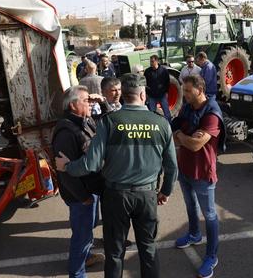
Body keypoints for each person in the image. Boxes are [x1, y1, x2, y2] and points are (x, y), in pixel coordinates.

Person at [56, 73, 178, 278]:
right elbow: (172, 166)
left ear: (124, 95)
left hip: (115, 197)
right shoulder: (161, 123)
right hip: (146, 195)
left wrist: (68, 167)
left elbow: (91, 163)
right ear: (142, 94)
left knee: (114, 253)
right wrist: (165, 191)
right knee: (148, 249)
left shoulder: (109, 122)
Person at [172, 74, 224, 278]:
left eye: (187, 91)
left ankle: (212, 256)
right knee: (190, 205)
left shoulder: (212, 113)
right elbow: (173, 126)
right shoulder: (187, 108)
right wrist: (183, 137)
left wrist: (181, 137)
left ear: (200, 90)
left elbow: (195, 144)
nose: (184, 95)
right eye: (183, 90)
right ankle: (194, 233)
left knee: (210, 215)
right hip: (184, 168)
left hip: (202, 172)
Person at [52, 86, 105, 278]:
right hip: (81, 194)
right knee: (82, 235)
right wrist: (83, 197)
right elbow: (64, 172)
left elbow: (106, 125)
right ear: (74, 105)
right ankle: (77, 273)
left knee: (87, 229)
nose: (90, 104)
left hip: (90, 188)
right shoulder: (66, 132)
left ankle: (86, 257)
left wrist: (102, 104)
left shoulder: (84, 121)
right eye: (86, 101)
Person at [144, 55, 171, 121]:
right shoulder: (147, 71)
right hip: (152, 96)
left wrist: (167, 92)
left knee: (167, 113)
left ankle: (170, 126)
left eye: (152, 61)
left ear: (157, 61)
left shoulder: (163, 70)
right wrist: (147, 94)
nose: (151, 63)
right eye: (150, 62)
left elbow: (167, 82)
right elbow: (144, 83)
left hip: (162, 95)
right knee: (152, 113)